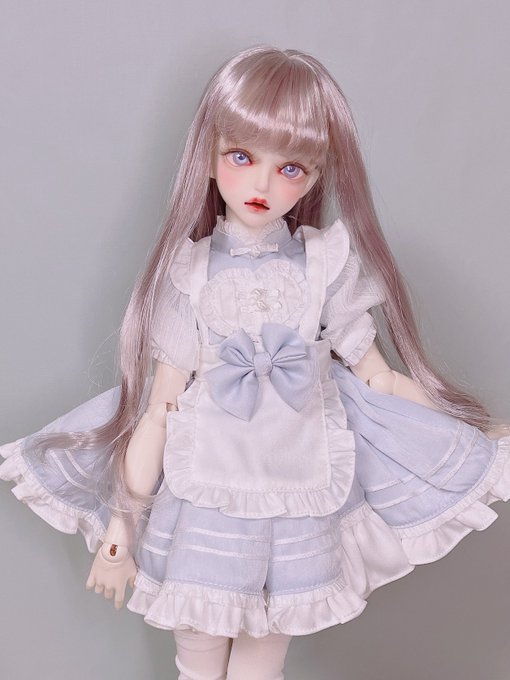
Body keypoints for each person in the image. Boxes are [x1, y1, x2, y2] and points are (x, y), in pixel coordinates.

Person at [1, 46, 508, 680]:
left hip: (299, 489)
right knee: (199, 648)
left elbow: (378, 378)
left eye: (290, 167)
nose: (263, 186)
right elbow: (158, 411)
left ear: (317, 174)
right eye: (242, 157)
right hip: (205, 490)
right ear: (209, 155)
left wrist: (463, 432)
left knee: (263, 656)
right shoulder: (189, 273)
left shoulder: (324, 266)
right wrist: (120, 532)